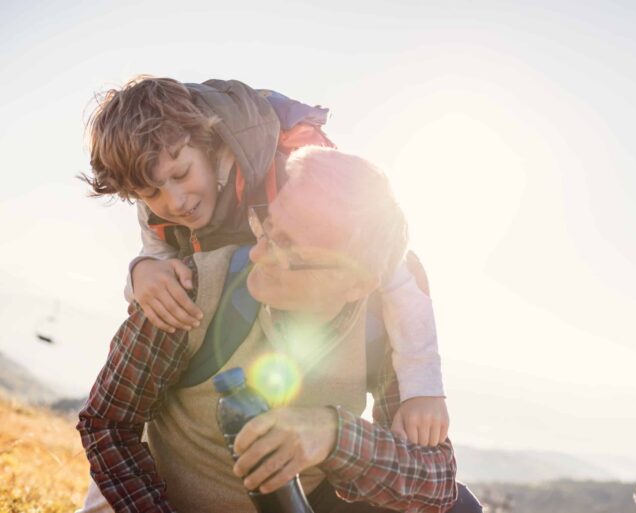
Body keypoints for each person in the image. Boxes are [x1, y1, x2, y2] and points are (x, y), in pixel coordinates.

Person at [77, 147, 480, 513]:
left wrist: (331, 435)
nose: (256, 252)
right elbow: (106, 422)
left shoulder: (382, 327)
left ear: (357, 283)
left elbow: (437, 481)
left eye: (287, 248)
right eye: (266, 224)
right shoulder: (193, 290)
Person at [83, 77, 448, 446]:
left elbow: (396, 271)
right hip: (222, 348)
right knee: (111, 493)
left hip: (304, 336)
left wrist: (423, 389)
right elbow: (155, 261)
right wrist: (140, 273)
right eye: (149, 193)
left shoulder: (290, 169)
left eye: (181, 174)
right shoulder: (156, 199)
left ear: (208, 141)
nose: (175, 201)